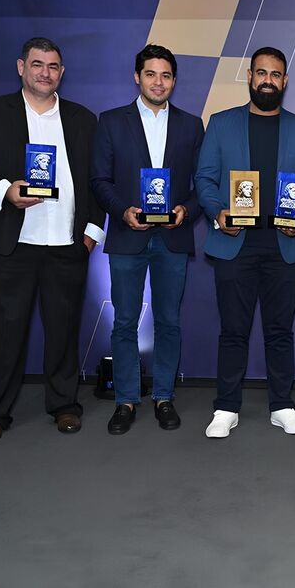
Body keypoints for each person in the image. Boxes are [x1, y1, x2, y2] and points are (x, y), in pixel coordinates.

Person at [0, 37, 103, 443]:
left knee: (64, 331)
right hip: (12, 244)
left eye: (53, 66)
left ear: (62, 72)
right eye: (37, 65)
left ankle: (64, 405)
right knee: (6, 331)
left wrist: (90, 234)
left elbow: (97, 181)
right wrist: (5, 189)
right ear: (21, 67)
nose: (45, 73)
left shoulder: (83, 119)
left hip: (67, 245)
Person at [195, 46, 295, 437]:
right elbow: (205, 179)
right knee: (233, 330)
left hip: (283, 247)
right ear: (250, 77)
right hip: (235, 244)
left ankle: (282, 404)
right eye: (261, 73)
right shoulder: (220, 123)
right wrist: (218, 214)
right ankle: (226, 407)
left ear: (284, 81)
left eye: (276, 75)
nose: (268, 80)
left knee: (280, 330)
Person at [91, 44, 204, 435]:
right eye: (151, 74)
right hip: (128, 235)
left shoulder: (192, 125)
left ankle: (164, 397)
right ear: (136, 77)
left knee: (169, 321)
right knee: (124, 322)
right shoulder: (110, 121)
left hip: (173, 237)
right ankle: (125, 400)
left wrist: (185, 211)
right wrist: (122, 210)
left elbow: (201, 185)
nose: (159, 82)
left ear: (174, 80)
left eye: (166, 75)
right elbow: (99, 180)